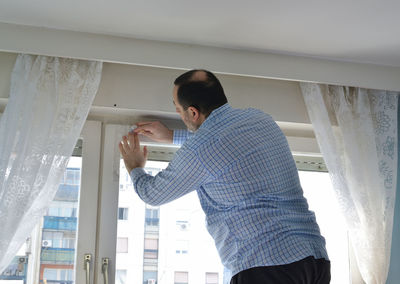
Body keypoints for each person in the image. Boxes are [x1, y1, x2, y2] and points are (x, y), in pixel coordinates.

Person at [119, 69, 330, 284]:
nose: (178, 114)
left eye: (177, 108)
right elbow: (224, 152)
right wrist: (173, 136)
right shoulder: (261, 120)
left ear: (193, 113)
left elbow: (153, 194)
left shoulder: (200, 149)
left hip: (267, 266)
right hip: (316, 260)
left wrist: (134, 166)